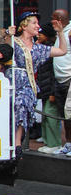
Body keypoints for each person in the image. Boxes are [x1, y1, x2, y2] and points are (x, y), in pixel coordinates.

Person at [8, 12, 68, 159]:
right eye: (34, 23)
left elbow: (62, 51)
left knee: (21, 105)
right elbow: (2, 48)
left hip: (27, 86)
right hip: (11, 83)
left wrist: (60, 33)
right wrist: (6, 34)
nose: (38, 26)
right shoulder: (13, 42)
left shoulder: (38, 48)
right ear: (24, 26)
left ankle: (17, 145)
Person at [35, 23, 62, 153]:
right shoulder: (41, 47)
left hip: (50, 89)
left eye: (42, 33)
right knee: (46, 116)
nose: (39, 34)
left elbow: (53, 74)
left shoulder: (52, 50)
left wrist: (52, 92)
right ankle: (47, 141)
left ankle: (54, 143)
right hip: (44, 89)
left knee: (51, 116)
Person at [49, 9, 71, 156]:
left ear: (58, 20)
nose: (50, 22)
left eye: (52, 19)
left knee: (69, 112)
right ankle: (68, 144)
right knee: (64, 115)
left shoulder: (70, 32)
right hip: (59, 79)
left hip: (69, 78)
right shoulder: (59, 33)